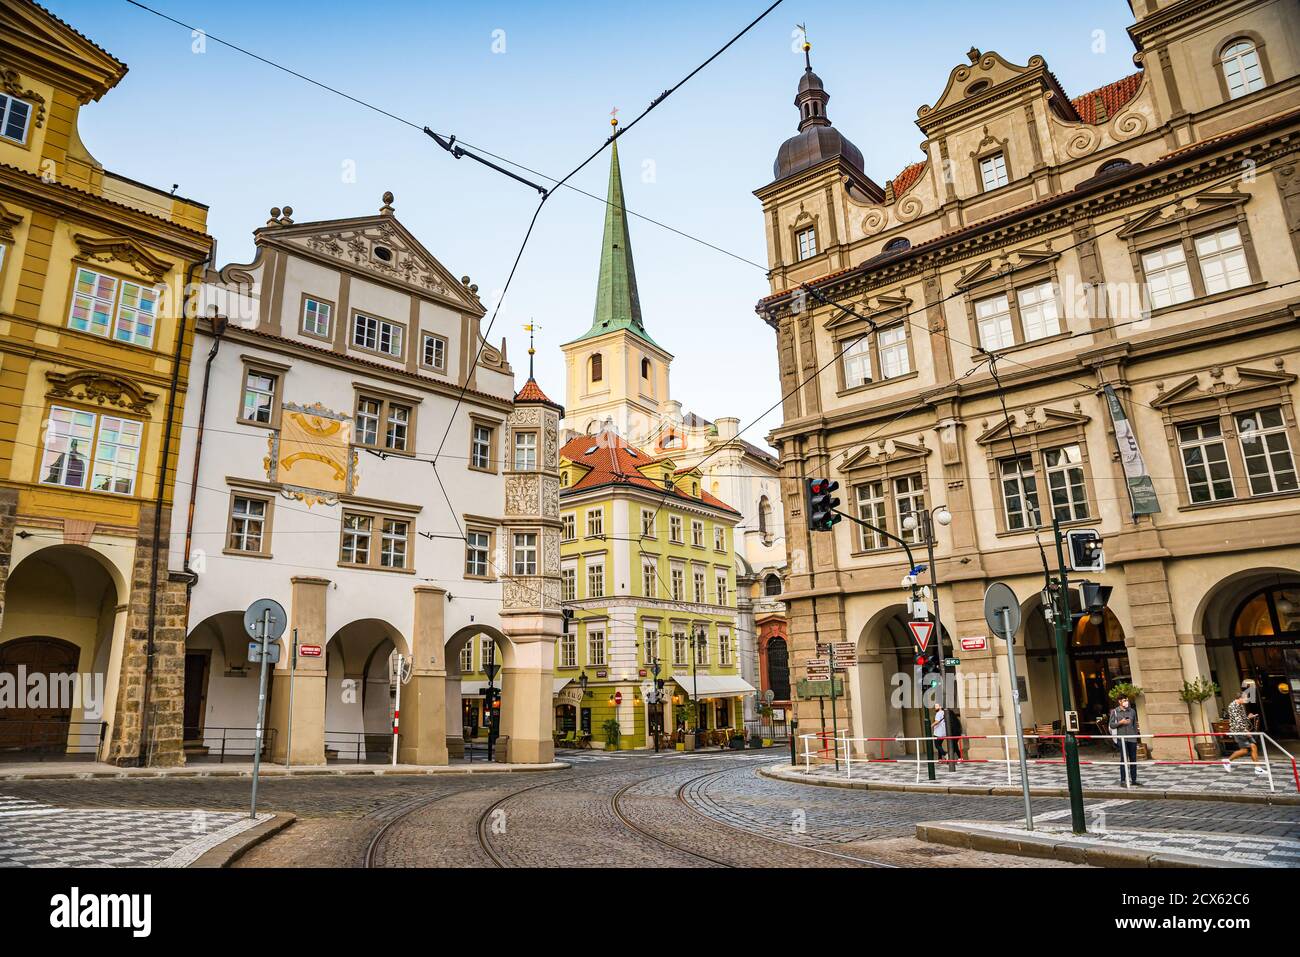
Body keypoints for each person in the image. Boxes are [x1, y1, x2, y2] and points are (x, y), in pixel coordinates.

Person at [1223, 686, 1266, 775]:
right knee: (1245, 750)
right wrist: (1245, 731)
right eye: (1246, 698)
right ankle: (1227, 760)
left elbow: (1242, 719)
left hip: (1243, 729)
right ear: (1240, 698)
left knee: (1253, 746)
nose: (1247, 700)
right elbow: (1238, 721)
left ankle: (1257, 768)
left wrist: (1249, 717)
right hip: (1238, 731)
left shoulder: (1241, 706)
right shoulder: (1233, 706)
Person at [1107, 694, 1141, 786]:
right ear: (1120, 701)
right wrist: (1120, 722)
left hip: (1132, 739)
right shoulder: (1115, 712)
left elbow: (1134, 725)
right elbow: (1111, 725)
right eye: (1124, 700)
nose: (1126, 701)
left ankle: (1134, 780)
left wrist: (1136, 738)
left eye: (1127, 700)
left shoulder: (1132, 711)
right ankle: (1123, 780)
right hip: (1121, 739)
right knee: (1124, 759)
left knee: (1133, 759)